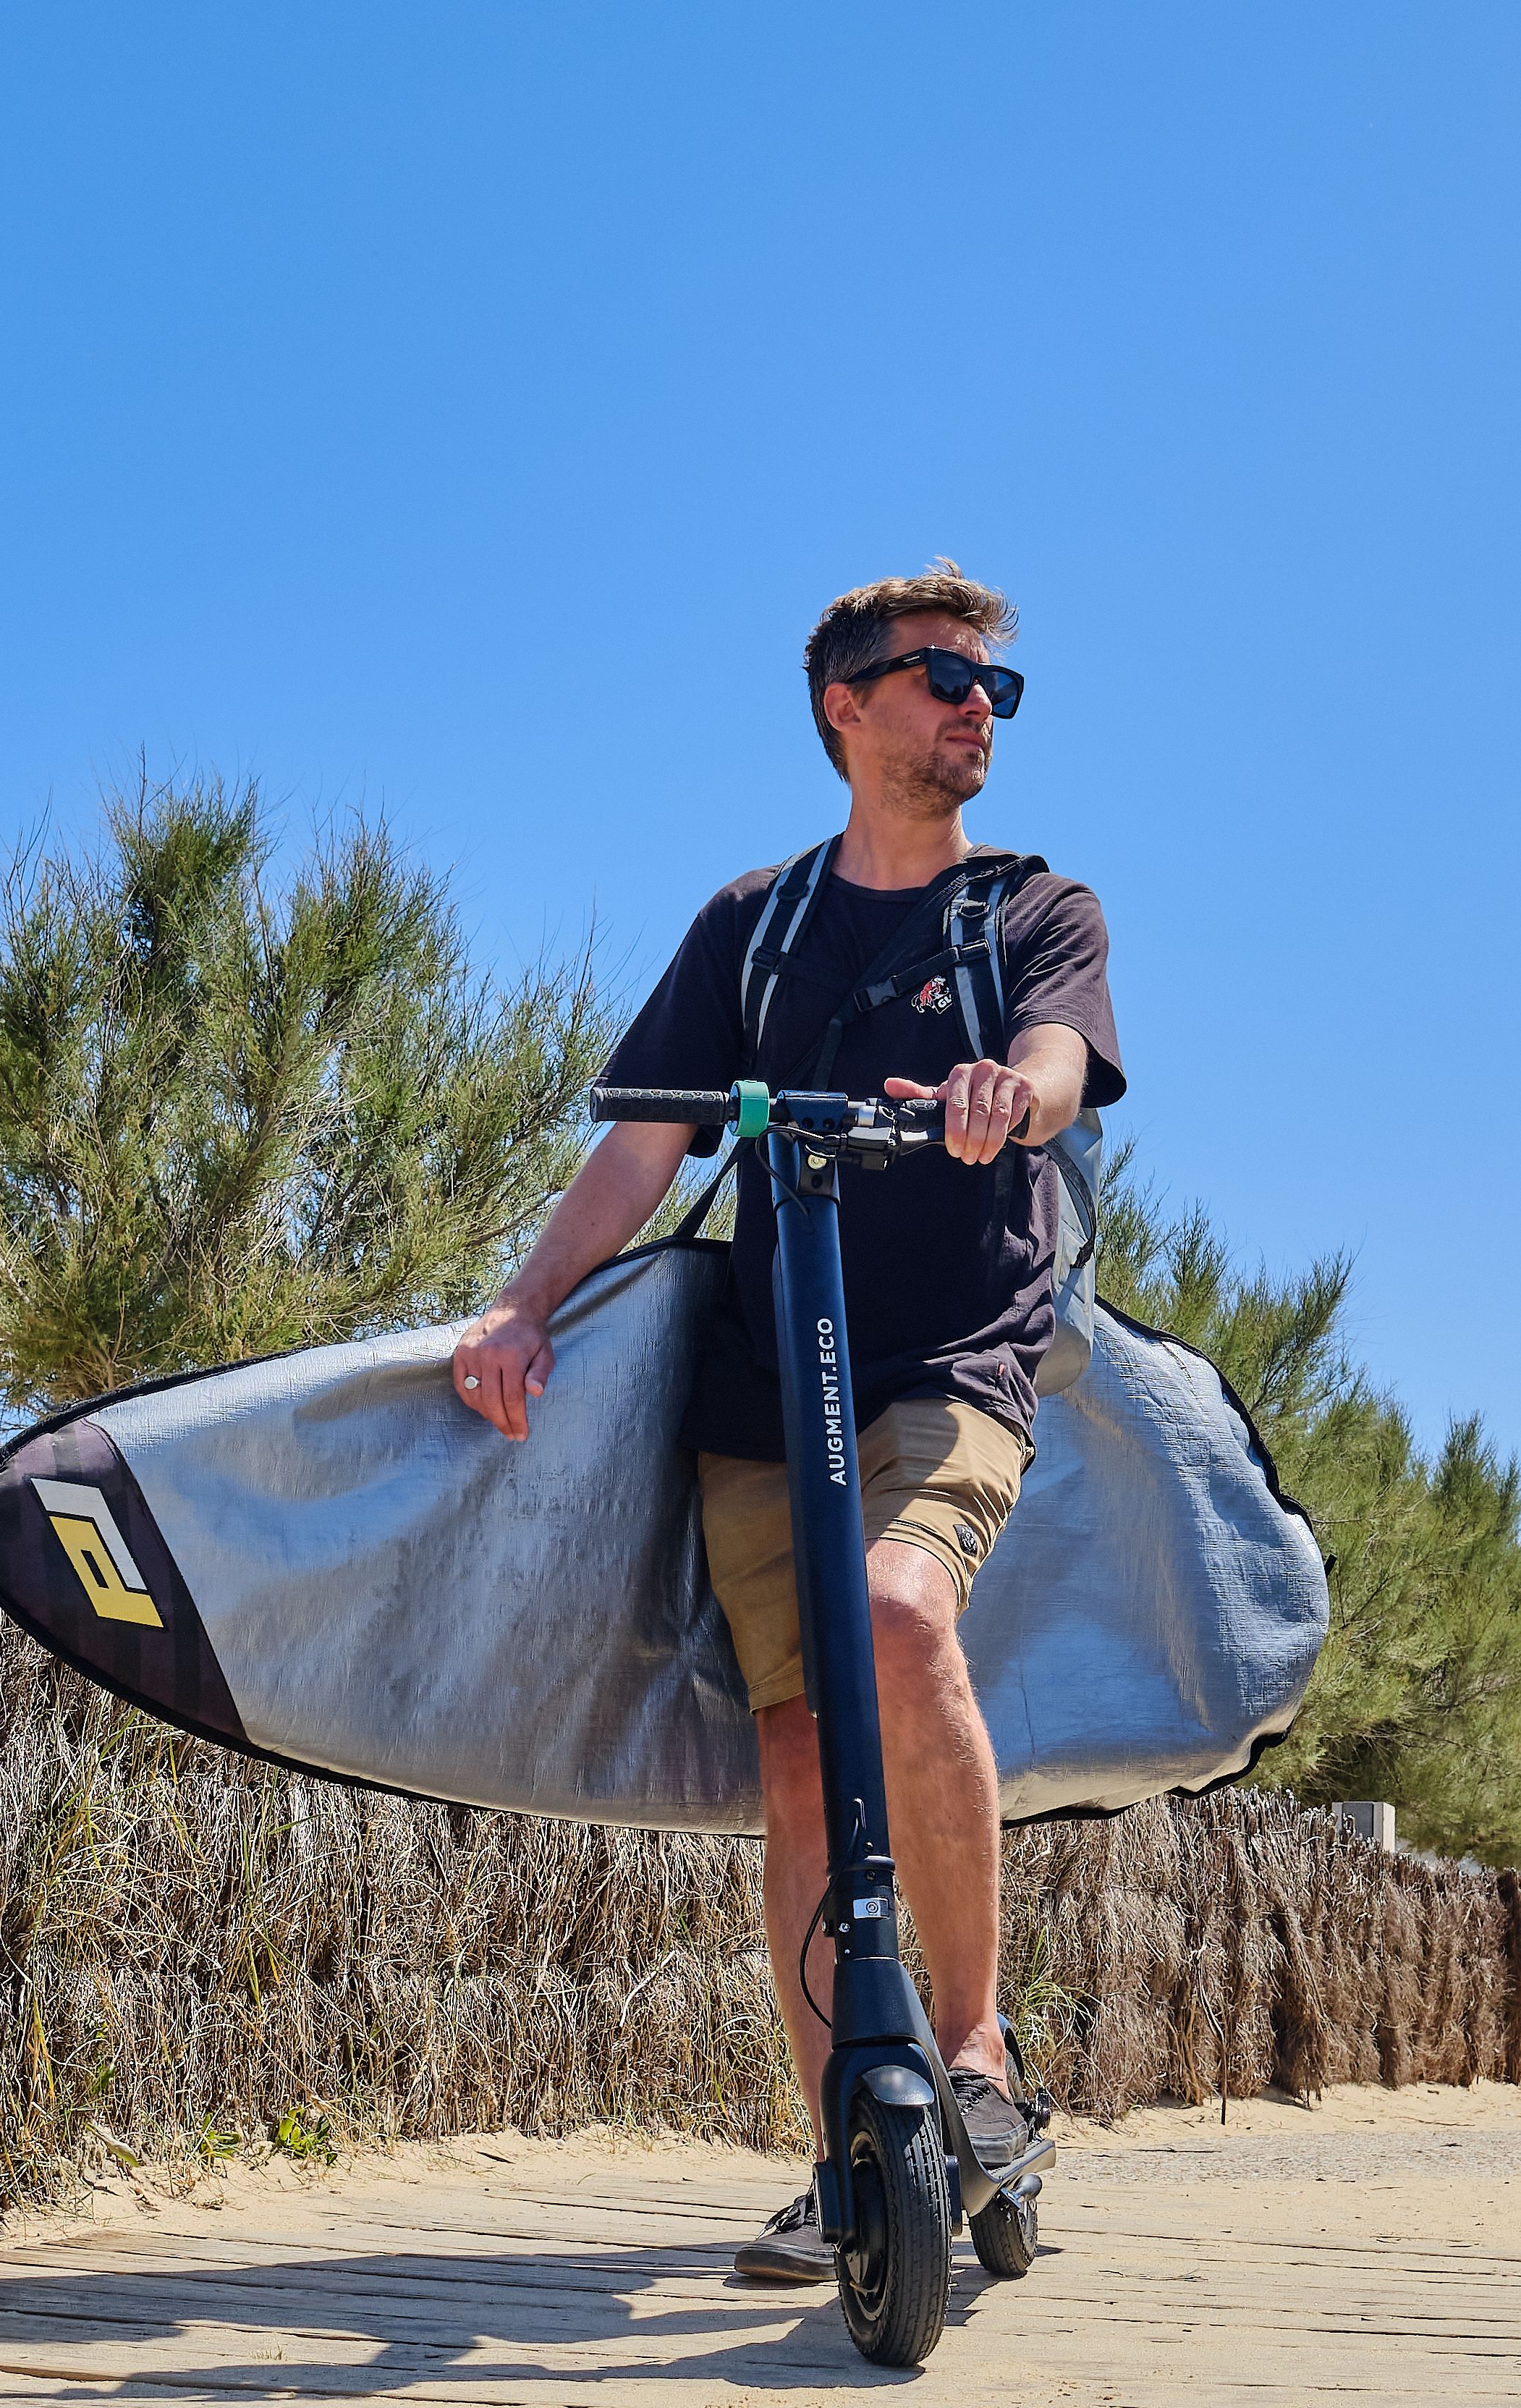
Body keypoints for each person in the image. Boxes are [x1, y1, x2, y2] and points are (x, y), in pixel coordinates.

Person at [449, 562, 1122, 2284]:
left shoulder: (1027, 910)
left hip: (952, 1363)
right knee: (801, 1758)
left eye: (992, 689)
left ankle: (969, 2058)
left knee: (897, 1619)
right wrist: (523, 1303)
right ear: (843, 704)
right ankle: (843, 2146)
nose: (975, 710)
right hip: (767, 1384)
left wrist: (1009, 1091)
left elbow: (1058, 1061)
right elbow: (643, 1143)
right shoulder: (751, 925)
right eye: (941, 679)